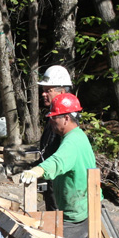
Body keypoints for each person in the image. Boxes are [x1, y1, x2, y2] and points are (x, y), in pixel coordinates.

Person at [21, 93, 97, 238]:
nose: (51, 122)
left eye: (54, 118)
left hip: (76, 216)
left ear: (66, 118)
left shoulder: (72, 142)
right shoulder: (77, 136)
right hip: (82, 207)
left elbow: (58, 161)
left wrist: (38, 170)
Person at [35, 65, 73, 209]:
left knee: (58, 217)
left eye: (48, 91)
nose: (43, 94)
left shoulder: (67, 120)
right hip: (51, 177)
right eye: (43, 90)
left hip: (60, 182)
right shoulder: (53, 116)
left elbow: (64, 153)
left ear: (62, 92)